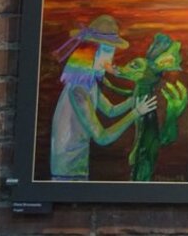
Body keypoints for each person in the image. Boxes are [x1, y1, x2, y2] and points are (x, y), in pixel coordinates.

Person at [50, 14, 156, 181]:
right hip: (66, 174)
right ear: (90, 53)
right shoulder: (78, 92)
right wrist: (136, 113)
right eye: (107, 51)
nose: (110, 58)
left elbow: (111, 111)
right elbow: (102, 137)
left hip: (78, 169)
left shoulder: (89, 84)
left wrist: (135, 99)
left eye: (111, 51)